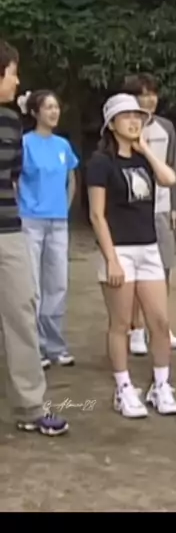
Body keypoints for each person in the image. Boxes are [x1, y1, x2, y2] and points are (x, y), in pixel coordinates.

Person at [86, 93, 176, 418]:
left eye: (138, 116)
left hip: (148, 247)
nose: (134, 121)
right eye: (126, 116)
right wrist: (111, 258)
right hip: (120, 249)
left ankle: (161, 384)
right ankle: (123, 387)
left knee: (160, 321)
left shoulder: (143, 159)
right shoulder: (101, 162)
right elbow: (97, 214)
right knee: (121, 323)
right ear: (111, 124)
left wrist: (146, 151)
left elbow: (169, 179)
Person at [0, 40, 68, 435]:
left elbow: (13, 175)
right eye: (12, 72)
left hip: (9, 230)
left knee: (22, 310)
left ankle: (29, 406)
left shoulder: (12, 123)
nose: (17, 81)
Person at [121, 74, 176, 355]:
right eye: (142, 94)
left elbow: (172, 166)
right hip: (134, 210)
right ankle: (135, 329)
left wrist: (175, 206)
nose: (149, 100)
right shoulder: (124, 127)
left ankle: (160, 327)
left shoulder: (166, 127)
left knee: (163, 269)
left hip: (161, 208)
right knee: (136, 273)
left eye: (152, 94)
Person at [17, 90, 79, 369]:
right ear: (35, 112)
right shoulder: (24, 143)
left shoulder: (63, 145)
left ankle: (55, 345)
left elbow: (71, 179)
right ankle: (35, 346)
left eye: (56, 107)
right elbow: (14, 179)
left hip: (58, 222)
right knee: (33, 286)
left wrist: (64, 207)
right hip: (30, 221)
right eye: (48, 107)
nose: (54, 112)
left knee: (57, 283)